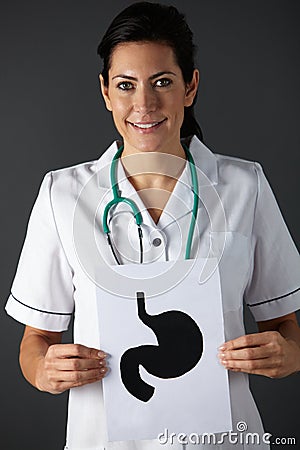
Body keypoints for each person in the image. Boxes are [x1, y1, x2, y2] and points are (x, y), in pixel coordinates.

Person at [5, 2, 300, 449]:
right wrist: (44, 370)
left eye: (162, 82)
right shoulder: (61, 195)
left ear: (190, 87)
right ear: (106, 93)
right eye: (126, 85)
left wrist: (288, 355)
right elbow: (36, 342)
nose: (144, 104)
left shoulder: (245, 187)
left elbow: (287, 327)